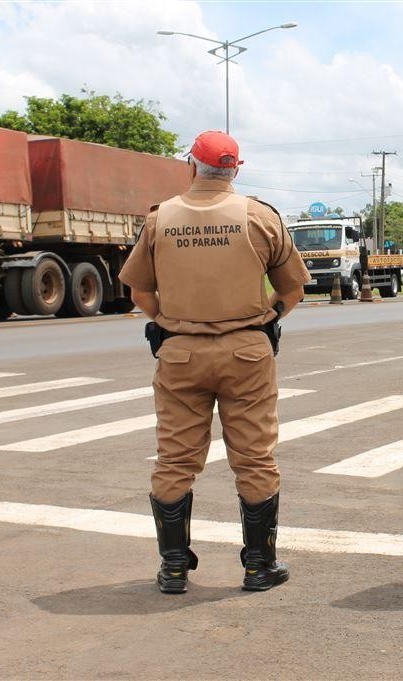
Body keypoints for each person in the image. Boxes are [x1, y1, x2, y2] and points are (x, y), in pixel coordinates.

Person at [119, 130, 309, 594]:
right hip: (247, 352)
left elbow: (139, 291)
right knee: (255, 458)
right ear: (236, 169)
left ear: (192, 165)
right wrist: (266, 320)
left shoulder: (161, 219)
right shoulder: (260, 217)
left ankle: (174, 568)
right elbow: (293, 288)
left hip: (180, 352)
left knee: (175, 460)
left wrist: (173, 322)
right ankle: (259, 566)